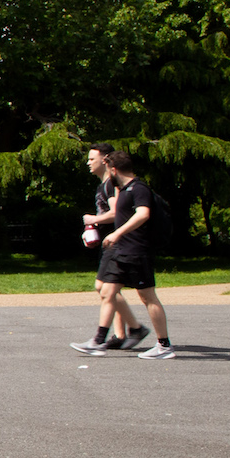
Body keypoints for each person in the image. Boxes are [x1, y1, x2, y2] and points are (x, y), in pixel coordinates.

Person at [71, 152, 173, 359]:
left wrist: (117, 233)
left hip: (137, 251)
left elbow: (143, 214)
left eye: (109, 170)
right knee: (107, 291)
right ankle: (98, 341)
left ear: (114, 169)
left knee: (147, 297)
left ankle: (164, 346)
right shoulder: (124, 190)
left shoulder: (139, 188)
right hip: (121, 250)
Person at [80, 145, 144, 351]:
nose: (88, 162)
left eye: (92, 158)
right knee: (110, 288)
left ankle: (128, 331)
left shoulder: (110, 185)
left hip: (116, 243)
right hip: (110, 242)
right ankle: (122, 333)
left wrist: (93, 219)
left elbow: (116, 213)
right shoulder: (105, 185)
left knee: (105, 287)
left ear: (105, 160)